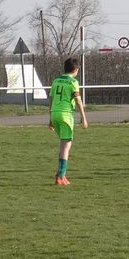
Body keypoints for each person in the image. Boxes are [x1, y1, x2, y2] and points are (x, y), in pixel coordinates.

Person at [48, 57, 87, 185]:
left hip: (55, 114)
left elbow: (51, 99)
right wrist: (84, 118)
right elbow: (78, 101)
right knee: (66, 146)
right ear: (76, 69)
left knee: (63, 144)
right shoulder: (73, 82)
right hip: (65, 115)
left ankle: (60, 174)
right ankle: (60, 176)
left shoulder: (56, 81)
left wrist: (50, 119)